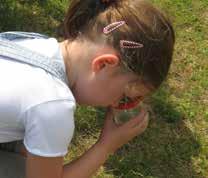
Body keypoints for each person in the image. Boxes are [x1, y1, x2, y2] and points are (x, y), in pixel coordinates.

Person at [0, 0, 175, 178]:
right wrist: (105, 146)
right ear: (104, 64)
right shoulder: (53, 106)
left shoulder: (37, 44)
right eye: (125, 97)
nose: (115, 104)